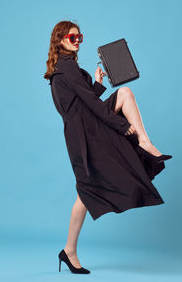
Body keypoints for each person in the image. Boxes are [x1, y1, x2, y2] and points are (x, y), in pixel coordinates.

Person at [44, 21, 172, 274]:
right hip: (84, 131)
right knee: (124, 93)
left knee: (85, 191)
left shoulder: (64, 68)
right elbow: (88, 105)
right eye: (72, 36)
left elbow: (82, 101)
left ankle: (68, 251)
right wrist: (120, 126)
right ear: (60, 39)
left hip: (83, 128)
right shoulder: (67, 68)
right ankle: (145, 143)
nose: (78, 40)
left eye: (80, 36)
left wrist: (98, 82)